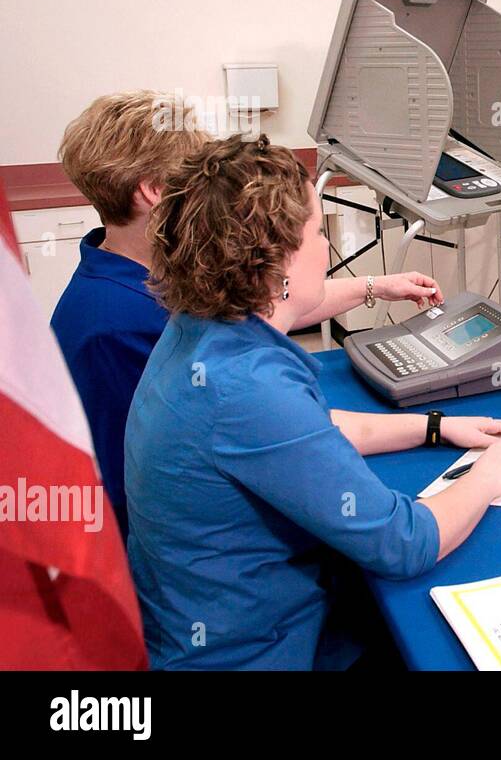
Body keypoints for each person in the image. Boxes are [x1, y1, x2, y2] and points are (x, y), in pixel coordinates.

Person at [125, 134, 501, 669]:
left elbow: (305, 433)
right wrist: (487, 476)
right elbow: (403, 544)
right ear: (275, 263)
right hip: (251, 653)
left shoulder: (197, 331)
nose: (326, 247)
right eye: (318, 231)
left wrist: (433, 427)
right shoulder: (248, 388)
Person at [50, 91, 443, 536]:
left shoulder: (126, 273)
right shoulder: (121, 321)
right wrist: (432, 429)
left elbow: (260, 301)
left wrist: (374, 286)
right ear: (154, 192)